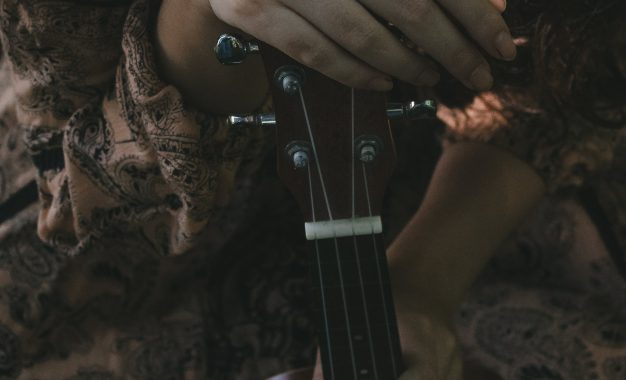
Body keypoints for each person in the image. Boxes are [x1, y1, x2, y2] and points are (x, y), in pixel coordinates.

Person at [0, 0, 510, 379]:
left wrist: (426, 280)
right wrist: (203, 18)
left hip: (448, 198)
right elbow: (89, 181)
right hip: (136, 232)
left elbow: (560, 90)